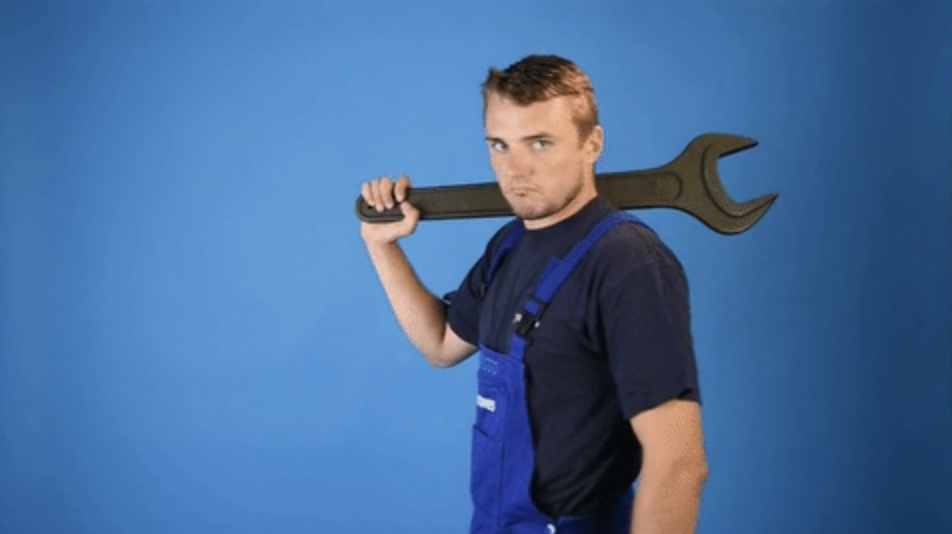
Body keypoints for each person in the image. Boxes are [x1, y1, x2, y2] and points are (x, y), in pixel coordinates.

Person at [359, 54, 707, 534]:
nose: (515, 169)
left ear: (592, 143)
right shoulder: (508, 246)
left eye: (539, 143)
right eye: (499, 145)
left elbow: (678, 465)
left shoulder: (629, 265)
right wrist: (382, 247)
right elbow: (440, 344)